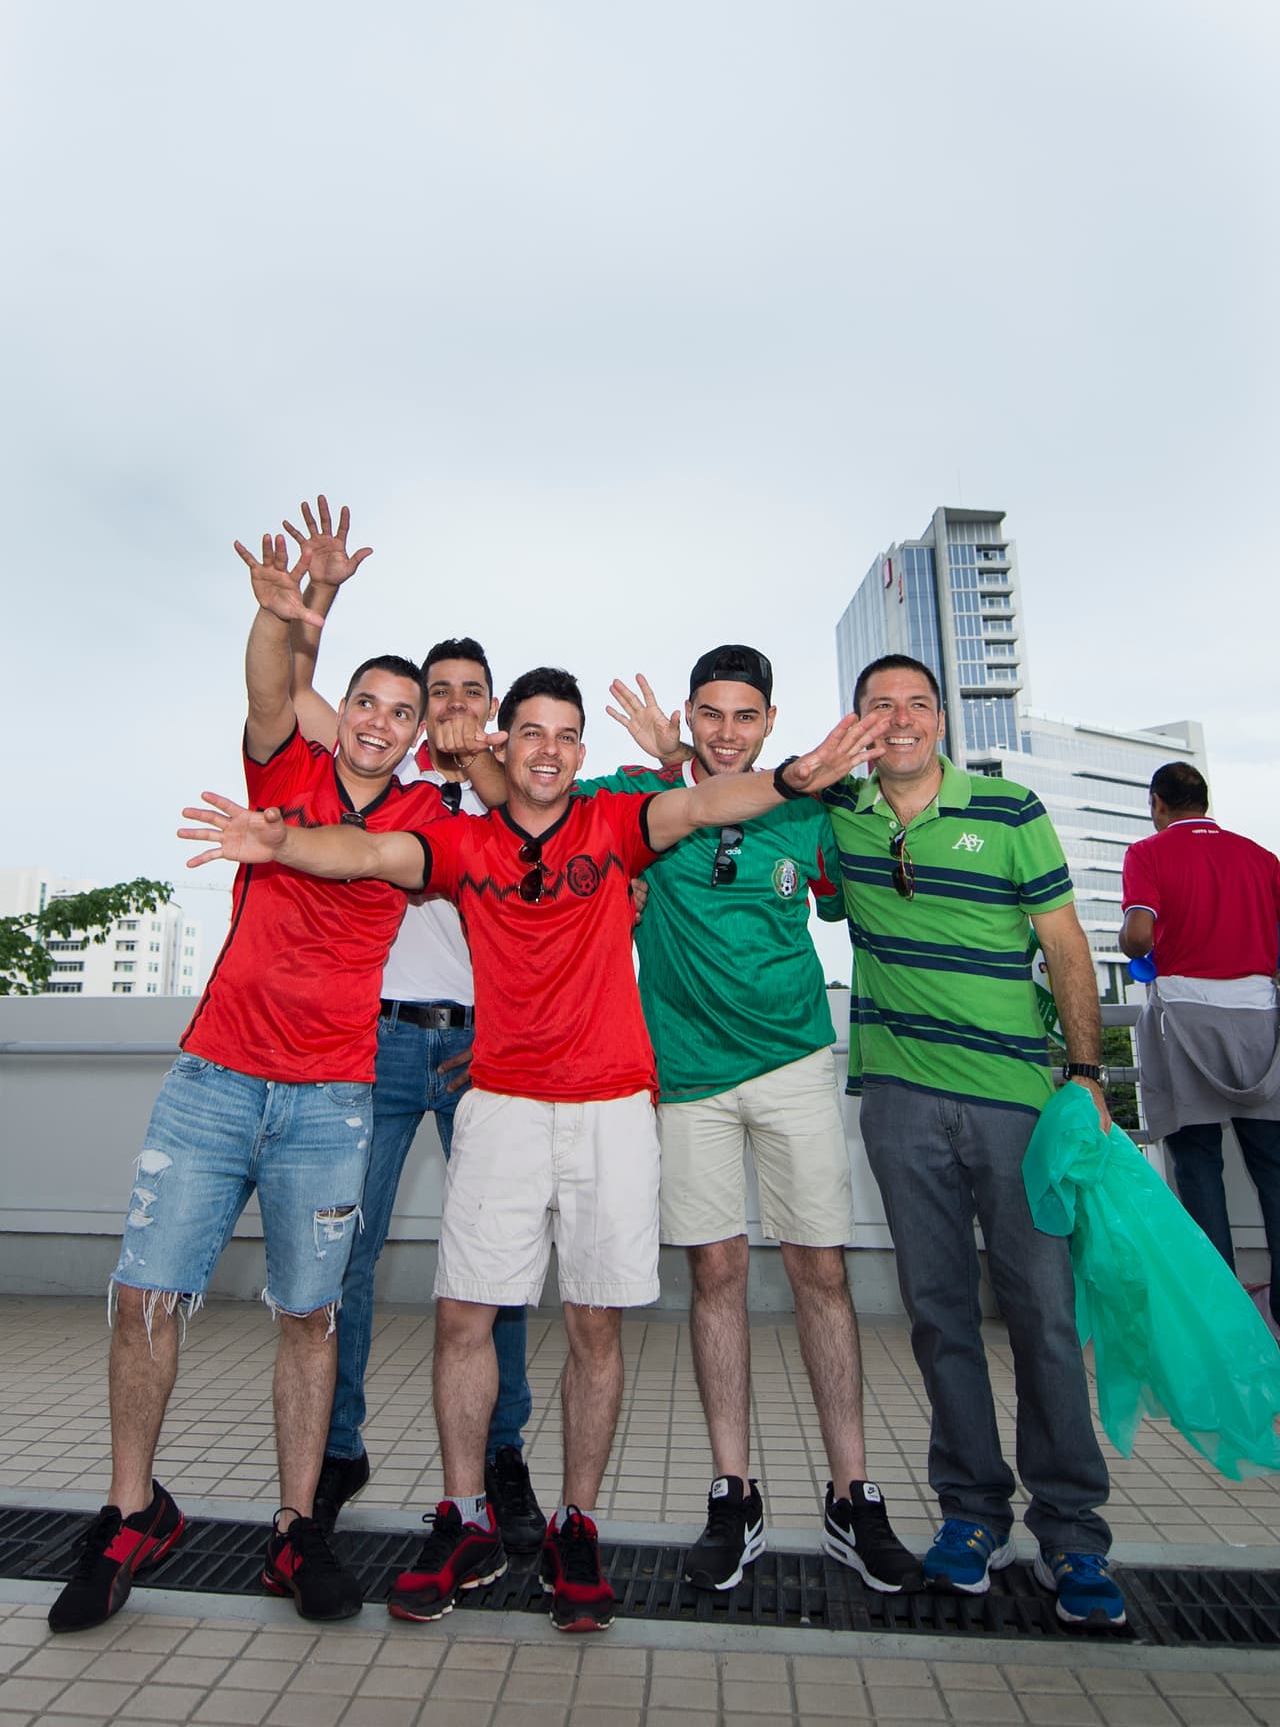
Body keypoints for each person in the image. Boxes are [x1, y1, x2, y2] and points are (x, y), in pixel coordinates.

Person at [179, 671, 888, 1632]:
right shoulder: (463, 838)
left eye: (566, 735)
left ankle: (577, 1522)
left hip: (611, 1108)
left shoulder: (615, 823)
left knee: (595, 1329)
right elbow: (372, 850)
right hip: (501, 1105)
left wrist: (799, 777)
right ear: (503, 749)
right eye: (531, 734)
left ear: (581, 753)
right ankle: (464, 1515)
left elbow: (711, 799)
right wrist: (286, 843)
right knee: (465, 1318)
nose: (547, 749)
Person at [49, 532, 447, 1636]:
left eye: (399, 712)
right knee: (145, 1294)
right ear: (348, 708)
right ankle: (132, 1514)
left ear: (415, 735)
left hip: (329, 1098)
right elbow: (271, 689)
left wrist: (279, 847)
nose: (378, 722)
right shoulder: (287, 769)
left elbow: (360, 863)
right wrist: (282, 615)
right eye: (364, 701)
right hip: (215, 1078)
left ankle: (294, 1528)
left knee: (310, 1317)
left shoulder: (424, 824)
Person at [582, 649, 923, 1595]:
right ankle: (734, 1491)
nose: (727, 732)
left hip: (797, 1063)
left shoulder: (808, 807)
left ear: (770, 722)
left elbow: (865, 899)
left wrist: (859, 790)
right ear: (688, 716)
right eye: (711, 715)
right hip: (687, 1075)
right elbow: (537, 808)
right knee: (717, 1271)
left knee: (821, 1268)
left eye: (745, 716)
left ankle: (853, 1493)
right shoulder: (639, 799)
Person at [821, 654, 1125, 1629]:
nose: (899, 719)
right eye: (879, 706)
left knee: (1040, 1317)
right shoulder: (843, 815)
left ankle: (1072, 1536)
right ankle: (968, 1517)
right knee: (938, 1314)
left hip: (1013, 1103)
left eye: (915, 703)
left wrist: (1083, 1075)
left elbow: (1065, 943)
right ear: (857, 723)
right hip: (900, 1102)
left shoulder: (1006, 811)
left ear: (942, 719)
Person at [282, 497, 542, 1550]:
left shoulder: (520, 792)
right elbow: (295, 702)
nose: (445, 708)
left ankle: (505, 1452)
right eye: (433, 694)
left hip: (489, 1048)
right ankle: (338, 1449)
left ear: (494, 705)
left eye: (469, 694)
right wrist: (316, 603)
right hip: (379, 1042)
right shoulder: (386, 782)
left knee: (498, 1263)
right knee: (349, 1257)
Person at [1119, 762, 1280, 1322]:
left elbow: (1139, 932)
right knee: (1273, 1168)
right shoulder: (1262, 859)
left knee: (1197, 1161)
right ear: (1205, 802)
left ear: (1158, 803)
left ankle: (1221, 1313)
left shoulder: (1149, 853)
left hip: (1184, 1015)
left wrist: (1137, 950)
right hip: (1260, 1018)